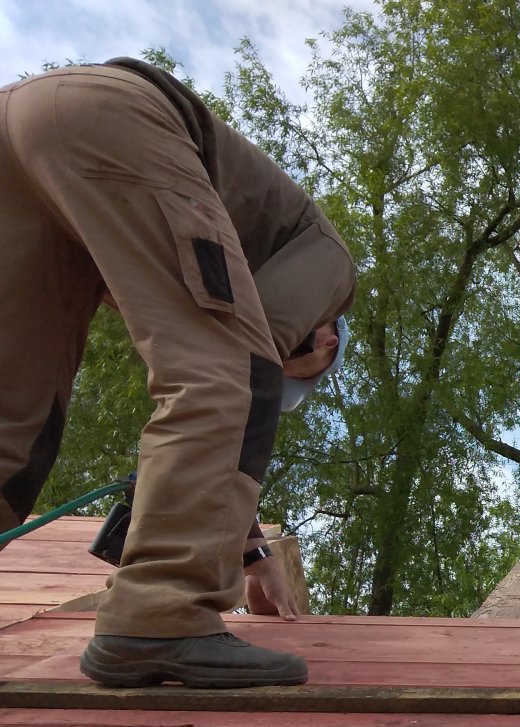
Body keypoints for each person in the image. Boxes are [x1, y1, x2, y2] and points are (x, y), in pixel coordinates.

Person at [0, 57, 355, 687]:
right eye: (304, 371)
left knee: (14, 420)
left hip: (21, 128)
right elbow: (231, 369)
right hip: (108, 119)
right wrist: (238, 545)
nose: (288, 369)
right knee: (235, 374)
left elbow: (199, 373)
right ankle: (160, 614)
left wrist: (250, 549)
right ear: (325, 340)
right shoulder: (330, 268)